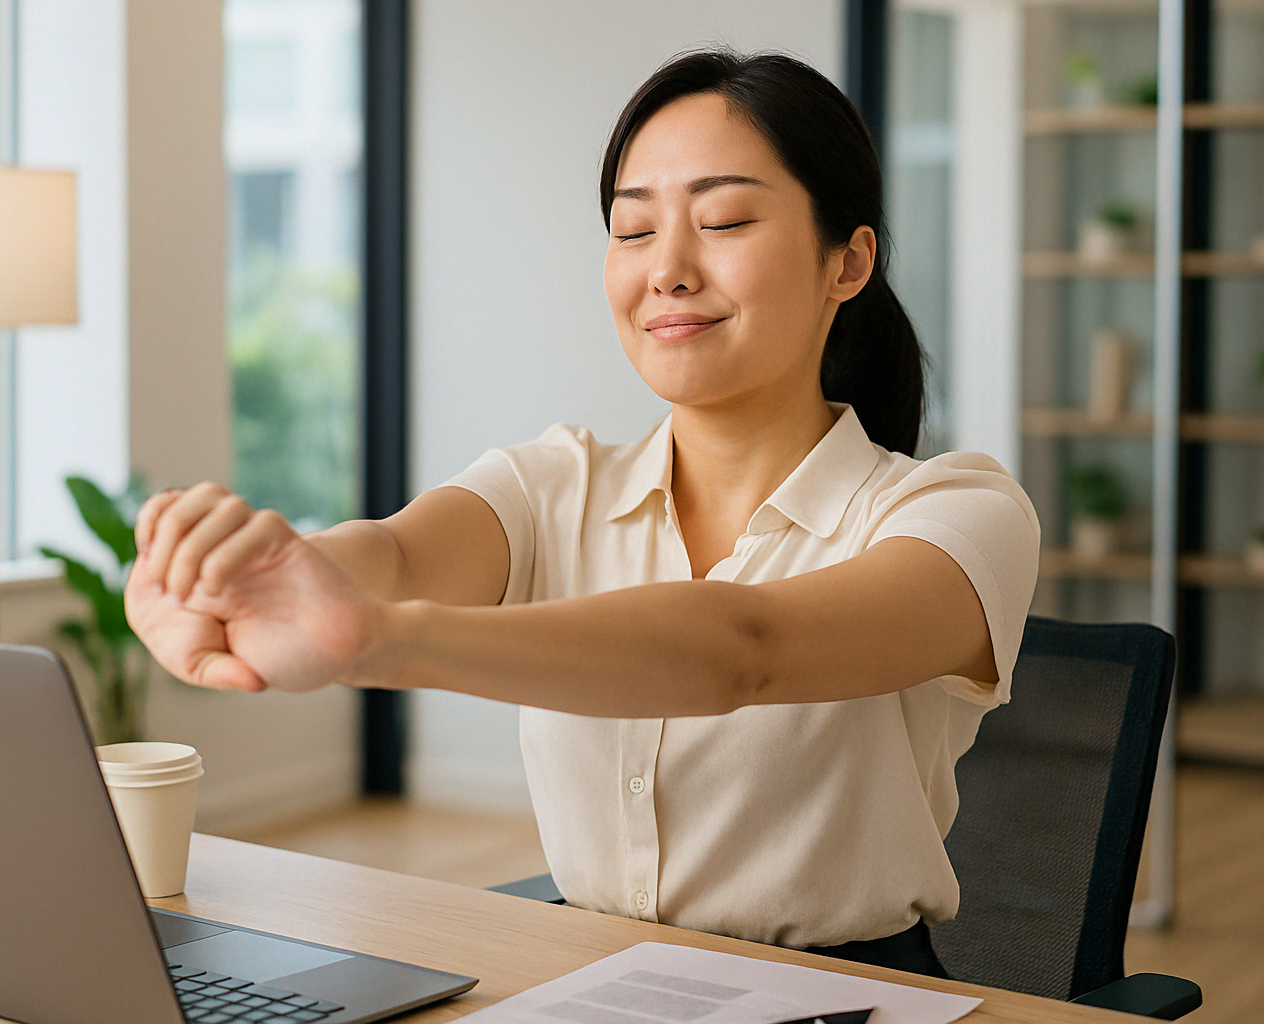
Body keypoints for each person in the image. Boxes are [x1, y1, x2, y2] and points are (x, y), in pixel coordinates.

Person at [126, 49, 1040, 979]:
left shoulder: (960, 514)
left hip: (850, 996)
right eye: (633, 230)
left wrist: (379, 641)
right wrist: (254, 580)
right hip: (594, 984)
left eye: (723, 219)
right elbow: (397, 556)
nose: (669, 270)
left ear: (848, 260)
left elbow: (745, 648)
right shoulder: (550, 485)